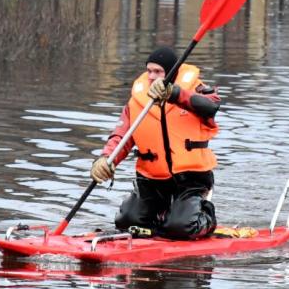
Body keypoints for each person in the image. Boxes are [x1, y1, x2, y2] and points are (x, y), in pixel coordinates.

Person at [90, 46, 221, 240]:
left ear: (171, 73)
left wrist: (174, 94)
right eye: (149, 71)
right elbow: (120, 137)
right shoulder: (136, 103)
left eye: (158, 71)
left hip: (191, 179)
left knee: (182, 227)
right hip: (152, 179)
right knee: (126, 221)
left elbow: (212, 105)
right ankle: (163, 218)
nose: (151, 76)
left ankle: (205, 218)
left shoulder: (196, 92)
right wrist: (106, 159)